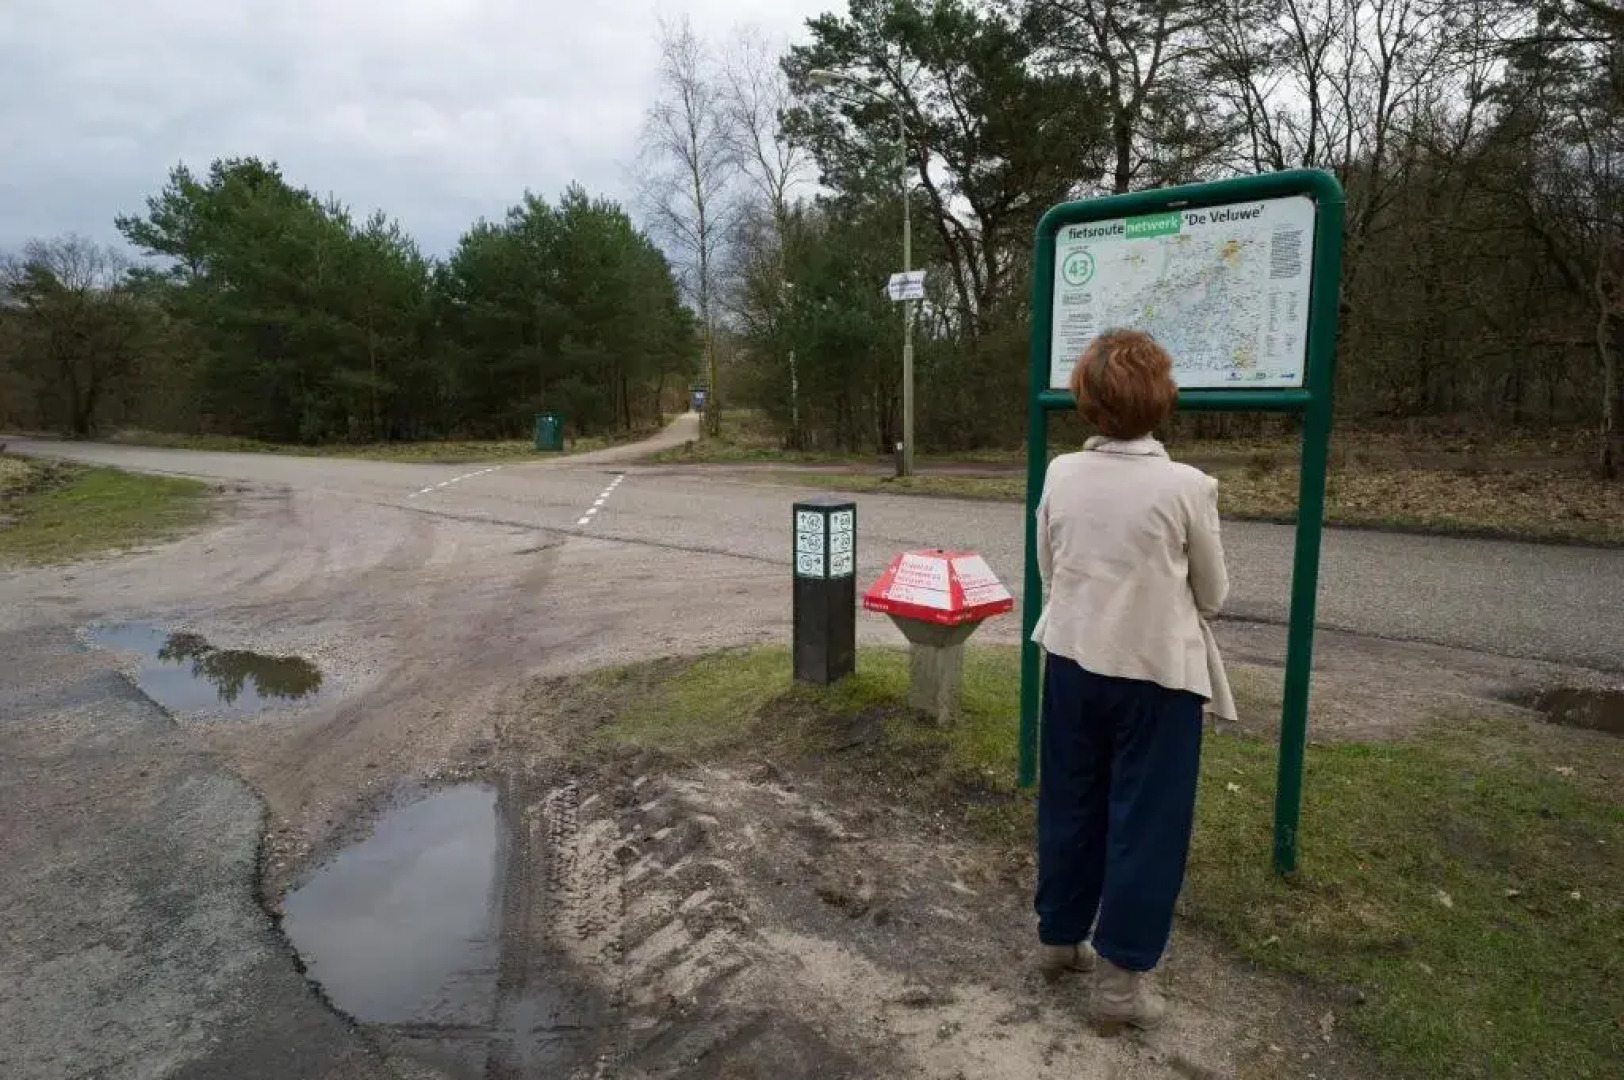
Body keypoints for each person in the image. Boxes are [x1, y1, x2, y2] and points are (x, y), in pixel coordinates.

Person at [1030, 328, 1235, 1032]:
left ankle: (1059, 937)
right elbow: (1212, 593)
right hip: (1157, 676)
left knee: (1070, 800)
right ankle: (1119, 984)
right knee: (1145, 825)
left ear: (1086, 400)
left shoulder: (1060, 473)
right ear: (1162, 400)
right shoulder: (1186, 487)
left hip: (1072, 659)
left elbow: (1049, 570)